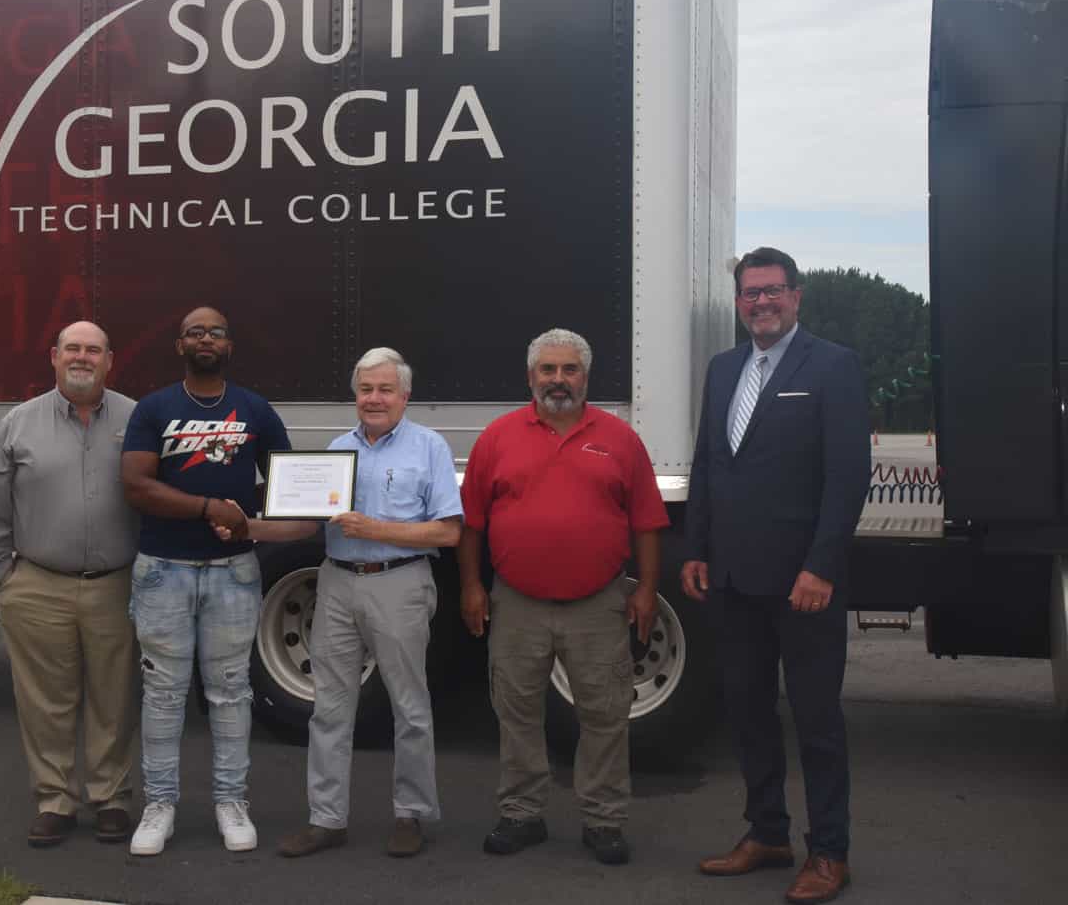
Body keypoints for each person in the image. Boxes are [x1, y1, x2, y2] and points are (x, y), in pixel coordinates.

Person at [682, 246, 870, 904]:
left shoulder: (833, 366)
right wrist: (696, 547)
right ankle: (767, 834)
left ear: (796, 296)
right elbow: (710, 463)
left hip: (803, 585)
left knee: (816, 720)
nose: (761, 302)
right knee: (748, 713)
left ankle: (830, 852)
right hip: (733, 580)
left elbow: (849, 478)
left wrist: (821, 565)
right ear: (738, 303)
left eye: (773, 290)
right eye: (750, 293)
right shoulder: (724, 367)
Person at [224, 348, 462, 859]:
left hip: (399, 583)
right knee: (330, 708)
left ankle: (410, 815)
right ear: (355, 395)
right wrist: (248, 527)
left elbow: (447, 530)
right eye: (365, 390)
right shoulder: (335, 450)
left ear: (405, 395)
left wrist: (376, 529)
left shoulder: (429, 448)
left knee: (410, 706)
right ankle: (327, 819)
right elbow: (303, 526)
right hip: (335, 584)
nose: (374, 399)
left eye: (385, 390)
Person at [457, 328, 669, 866]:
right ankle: (522, 813)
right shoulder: (498, 437)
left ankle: (603, 820)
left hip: (598, 603)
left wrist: (646, 590)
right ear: (531, 378)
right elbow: (472, 525)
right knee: (517, 709)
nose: (558, 379)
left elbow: (646, 522)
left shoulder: (619, 438)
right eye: (547, 370)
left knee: (605, 713)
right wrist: (471, 585)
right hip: (517, 602)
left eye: (568, 369)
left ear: (585, 377)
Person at [120, 306, 291, 856]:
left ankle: (230, 801)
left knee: (230, 692)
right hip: (162, 571)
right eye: (195, 331)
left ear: (229, 345)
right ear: (180, 345)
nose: (206, 338)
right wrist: (208, 507)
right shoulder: (154, 408)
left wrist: (251, 522)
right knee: (164, 694)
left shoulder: (255, 410)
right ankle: (159, 805)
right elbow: (136, 487)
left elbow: (289, 485)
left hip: (233, 573)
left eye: (216, 331)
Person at [0, 321, 140, 848]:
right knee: (46, 701)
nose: (83, 357)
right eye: (73, 348)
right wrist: (6, 575)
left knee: (116, 696)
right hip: (38, 585)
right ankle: (54, 800)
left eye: (93, 349)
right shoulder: (19, 423)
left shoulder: (138, 420)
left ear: (110, 359)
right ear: (54, 356)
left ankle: (111, 798)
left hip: (118, 584)